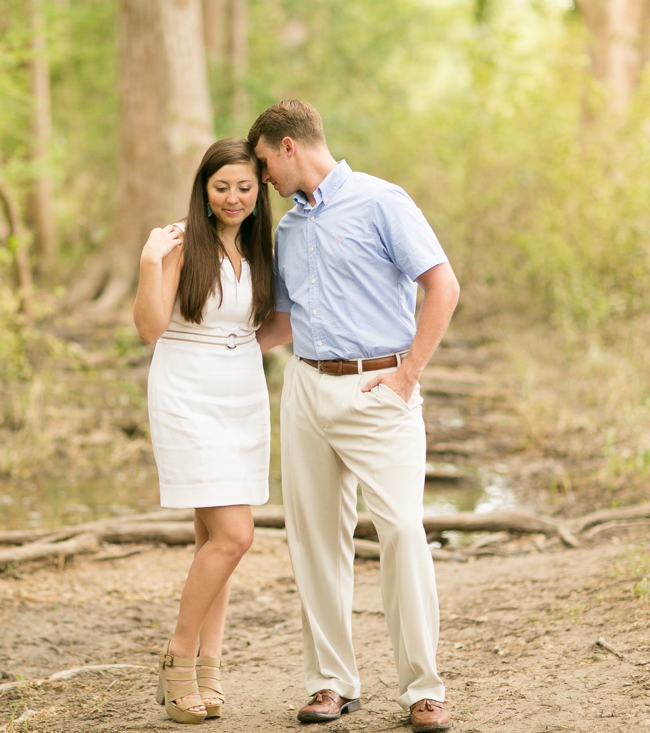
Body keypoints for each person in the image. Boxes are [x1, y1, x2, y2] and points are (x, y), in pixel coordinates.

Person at [249, 100, 460, 733]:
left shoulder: (380, 201)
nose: (262, 179)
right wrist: (215, 343)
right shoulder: (288, 229)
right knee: (314, 541)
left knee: (400, 532)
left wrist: (406, 377)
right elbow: (285, 324)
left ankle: (423, 688)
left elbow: (442, 285)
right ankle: (331, 684)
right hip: (308, 389)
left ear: (289, 147)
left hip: (381, 390)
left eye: (263, 163)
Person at [133, 137, 275, 725]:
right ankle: (177, 659)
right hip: (187, 394)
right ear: (204, 190)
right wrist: (148, 262)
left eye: (245, 187)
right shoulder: (178, 245)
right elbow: (148, 328)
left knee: (212, 543)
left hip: (242, 394)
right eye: (222, 187)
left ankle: (210, 668)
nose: (234, 198)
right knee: (234, 536)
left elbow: (269, 326)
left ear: (259, 190)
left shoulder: (260, 251)